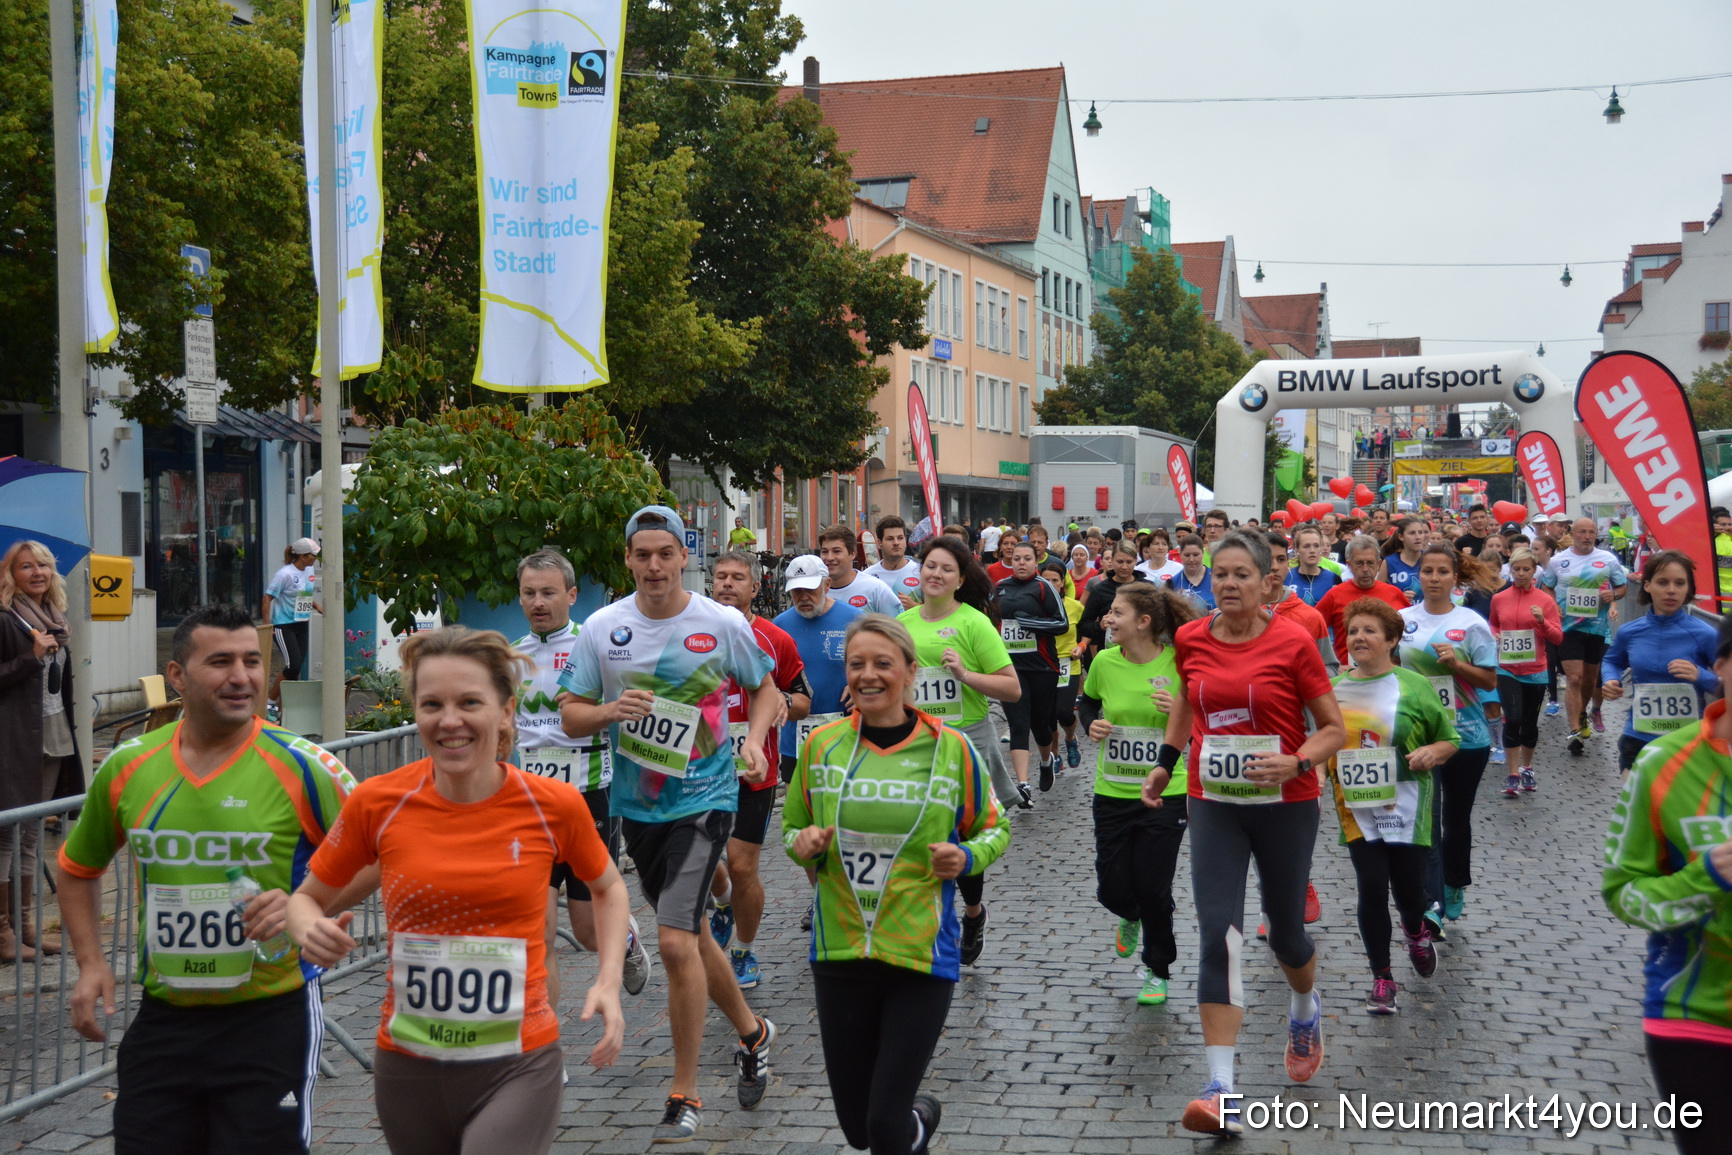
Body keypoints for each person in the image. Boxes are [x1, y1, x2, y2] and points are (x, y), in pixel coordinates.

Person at [287, 626, 628, 1155]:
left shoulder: (552, 804)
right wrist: (307, 927)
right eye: (431, 704)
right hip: (407, 1066)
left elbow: (607, 888)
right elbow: (307, 897)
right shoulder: (379, 802)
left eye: (470, 702)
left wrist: (608, 979)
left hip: (519, 1061)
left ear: (506, 711)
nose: (449, 721)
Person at [57, 604, 363, 1154]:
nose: (241, 677)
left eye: (252, 661)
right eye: (220, 662)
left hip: (271, 1014)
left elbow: (380, 851)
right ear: (177, 676)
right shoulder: (130, 764)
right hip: (164, 1017)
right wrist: (90, 963)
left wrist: (303, 904)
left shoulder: (302, 763)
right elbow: (78, 869)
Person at [557, 506, 780, 1142]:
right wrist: (608, 712)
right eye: (642, 554)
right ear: (627, 560)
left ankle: (684, 1093)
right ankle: (752, 1033)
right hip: (638, 809)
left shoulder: (720, 621)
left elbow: (764, 688)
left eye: (666, 553)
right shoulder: (603, 628)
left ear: (686, 557)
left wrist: (757, 739)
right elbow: (571, 715)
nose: (654, 565)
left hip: (707, 799)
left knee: (677, 939)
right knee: (692, 939)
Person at [784, 616, 1009, 1155]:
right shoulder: (823, 746)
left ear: (910, 671)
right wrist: (804, 845)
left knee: (882, 1127)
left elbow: (994, 827)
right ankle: (919, 1123)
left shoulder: (950, 749)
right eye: (856, 664)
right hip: (838, 952)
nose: (868, 675)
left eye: (883, 664)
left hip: (918, 955)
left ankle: (905, 1124)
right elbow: (792, 828)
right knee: (859, 1130)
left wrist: (967, 855)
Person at [1164, 532, 1345, 1135]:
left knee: (1286, 935)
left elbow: (1332, 729)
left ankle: (1303, 1007)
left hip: (1286, 802)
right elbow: (1187, 703)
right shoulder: (1191, 638)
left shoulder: (1293, 641)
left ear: (1268, 580)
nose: (1229, 584)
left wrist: (1296, 761)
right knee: (1220, 932)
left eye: (1242, 574)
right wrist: (1167, 760)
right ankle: (1222, 1086)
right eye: (1220, 574)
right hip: (1213, 799)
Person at [1604, 618, 1732, 1155]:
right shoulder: (1662, 766)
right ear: (1722, 666)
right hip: (1698, 1018)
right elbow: (1624, 895)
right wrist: (1708, 877)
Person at [512, 550, 651, 1001]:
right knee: (541, 933)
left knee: (589, 932)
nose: (538, 602)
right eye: (529, 593)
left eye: (548, 592)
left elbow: (631, 708)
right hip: (532, 803)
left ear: (571, 595)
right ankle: (548, 1054)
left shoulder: (593, 646)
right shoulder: (511, 658)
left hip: (590, 795)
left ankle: (624, 938)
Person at [1327, 599, 1457, 1016]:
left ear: (1392, 640)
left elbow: (1448, 738)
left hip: (1408, 803)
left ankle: (1416, 929)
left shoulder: (1414, 685)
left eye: (1369, 631)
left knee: (1407, 891)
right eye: (1353, 631)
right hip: (1357, 806)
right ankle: (1382, 978)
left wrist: (1431, 755)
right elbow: (1318, 741)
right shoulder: (1333, 691)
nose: (1358, 638)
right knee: (1370, 885)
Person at [898, 536, 1021, 962]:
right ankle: (929, 920)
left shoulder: (973, 623)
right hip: (916, 743)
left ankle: (972, 912)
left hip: (966, 740)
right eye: (929, 566)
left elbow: (1012, 688)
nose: (934, 574)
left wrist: (966, 675)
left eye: (945, 569)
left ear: (960, 579)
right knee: (919, 831)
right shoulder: (905, 621)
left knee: (964, 837)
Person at [1080, 581, 1198, 1006]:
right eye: (1110, 612)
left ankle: (1157, 969)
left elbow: (1203, 719)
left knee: (1154, 886)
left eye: (1117, 613)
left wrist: (1181, 710)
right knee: (1112, 888)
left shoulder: (1178, 663)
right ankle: (1128, 915)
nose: (1108, 619)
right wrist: (1090, 723)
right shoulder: (1105, 663)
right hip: (1112, 790)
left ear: (1143, 622)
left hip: (1168, 792)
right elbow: (1088, 703)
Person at [706, 549, 813, 988]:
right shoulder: (689, 632)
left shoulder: (774, 638)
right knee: (708, 862)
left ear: (755, 588)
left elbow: (803, 699)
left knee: (743, 864)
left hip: (755, 771)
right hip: (700, 770)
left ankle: (744, 951)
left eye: (737, 578)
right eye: (720, 577)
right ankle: (726, 902)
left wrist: (783, 703)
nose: (728, 584)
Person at [1400, 544, 1498, 934]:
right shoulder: (1402, 620)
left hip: (1466, 735)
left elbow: (1490, 679)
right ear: (1418, 576)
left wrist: (1456, 665)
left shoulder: (1471, 623)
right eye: (1428, 571)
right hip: (1418, 736)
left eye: (1443, 572)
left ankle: (1455, 883)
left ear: (1455, 577)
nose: (1435, 579)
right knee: (1425, 817)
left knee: (1455, 821)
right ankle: (1433, 902)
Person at [1, 541, 84, 962]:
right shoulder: (5, 619)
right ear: (10, 574)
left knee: (31, 835)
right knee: (6, 837)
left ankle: (25, 927)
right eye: (26, 566)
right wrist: (31, 658)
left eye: (44, 566)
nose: (37, 572)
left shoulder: (54, 620)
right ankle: (1, 934)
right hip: (15, 739)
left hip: (52, 734)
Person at [1601, 551, 1721, 775]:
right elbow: (1612, 660)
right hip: (1638, 736)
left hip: (1688, 741)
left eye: (1680, 583)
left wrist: (1700, 676)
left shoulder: (1704, 634)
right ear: (1647, 586)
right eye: (1663, 582)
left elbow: (1727, 687)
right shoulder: (1631, 631)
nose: (1672, 590)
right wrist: (1610, 680)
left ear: (1688, 589)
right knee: (1636, 808)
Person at [1543, 517, 1629, 755]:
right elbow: (1547, 586)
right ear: (1574, 533)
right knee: (1574, 678)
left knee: (1590, 682)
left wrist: (1614, 595)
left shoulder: (1608, 559)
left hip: (1596, 629)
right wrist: (1553, 605)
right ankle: (1573, 731)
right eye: (1582, 532)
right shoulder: (1559, 561)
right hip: (1568, 629)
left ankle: (1583, 714)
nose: (1587, 536)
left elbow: (1622, 587)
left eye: (1591, 532)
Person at [1488, 548, 1564, 795]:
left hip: (1535, 669)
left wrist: (1542, 621)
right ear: (1510, 570)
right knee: (1514, 718)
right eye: (1516, 569)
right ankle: (1512, 773)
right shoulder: (1499, 598)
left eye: (1526, 569)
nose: (1520, 574)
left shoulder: (1545, 601)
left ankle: (1527, 767)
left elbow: (1558, 637)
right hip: (1507, 668)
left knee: (1530, 722)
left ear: (1534, 571)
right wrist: (1494, 635)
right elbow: (1493, 623)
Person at [1315, 536, 1409, 667]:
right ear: (1349, 565)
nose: (1365, 569)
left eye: (1370, 563)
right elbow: (1312, 631)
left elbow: (1410, 633)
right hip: (1348, 676)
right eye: (1359, 563)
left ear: (1379, 564)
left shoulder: (1395, 594)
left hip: (1387, 674)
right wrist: (1330, 665)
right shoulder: (1334, 595)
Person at [263, 539, 321, 716]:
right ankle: (270, 703)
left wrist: (317, 606)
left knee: (296, 669)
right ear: (303, 556)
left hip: (302, 624)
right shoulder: (285, 574)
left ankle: (283, 711)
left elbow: (303, 595)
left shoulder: (309, 570)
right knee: (293, 666)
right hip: (284, 626)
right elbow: (267, 598)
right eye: (313, 555)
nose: (316, 559)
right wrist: (267, 625)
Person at [1039, 557, 1086, 771]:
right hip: (1042, 665)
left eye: (1055, 580)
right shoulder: (1034, 605)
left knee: (1064, 712)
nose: (1050, 584)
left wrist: (1082, 646)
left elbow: (1087, 633)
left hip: (1068, 663)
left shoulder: (1075, 607)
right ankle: (1055, 755)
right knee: (1047, 716)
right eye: (1045, 579)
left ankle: (1070, 739)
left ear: (1062, 582)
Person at [815, 526, 903, 616]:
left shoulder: (876, 589)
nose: (829, 558)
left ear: (852, 554)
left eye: (836, 551)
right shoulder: (813, 590)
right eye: (825, 552)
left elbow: (899, 625)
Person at [1081, 540, 1145, 647]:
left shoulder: (1146, 588)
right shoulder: (1100, 590)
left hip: (1140, 651)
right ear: (1112, 560)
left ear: (1135, 561)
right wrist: (1099, 625)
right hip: (1109, 652)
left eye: (1129, 562)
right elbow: (1084, 625)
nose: (1124, 567)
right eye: (1120, 562)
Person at [865, 516, 924, 609]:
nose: (896, 543)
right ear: (879, 543)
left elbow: (936, 609)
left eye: (900, 538)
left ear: (905, 540)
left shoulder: (921, 572)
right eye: (890, 539)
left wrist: (914, 607)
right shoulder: (868, 576)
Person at [1286, 526, 1341, 608]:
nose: (1312, 550)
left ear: (1321, 548)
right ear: (1297, 550)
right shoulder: (1286, 577)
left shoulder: (1333, 578)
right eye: (1306, 546)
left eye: (1316, 546)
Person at [1378, 516, 1426, 604]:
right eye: (1412, 533)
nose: (1418, 537)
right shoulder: (1389, 562)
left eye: (1420, 532)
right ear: (1401, 537)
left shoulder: (1430, 559)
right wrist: (1398, 597)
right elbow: (1378, 596)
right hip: (1399, 615)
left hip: (1426, 615)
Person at [1163, 534, 1213, 611]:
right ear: (1180, 555)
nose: (1191, 559)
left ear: (1202, 553)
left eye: (1196, 555)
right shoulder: (1171, 583)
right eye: (1187, 555)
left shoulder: (1217, 577)